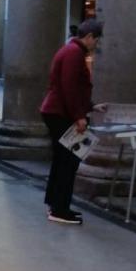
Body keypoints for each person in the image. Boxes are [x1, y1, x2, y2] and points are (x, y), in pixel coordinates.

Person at [39, 19, 105, 225]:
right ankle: (59, 209)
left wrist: (90, 106)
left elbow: (74, 88)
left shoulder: (71, 51)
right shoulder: (75, 54)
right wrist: (79, 117)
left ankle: (55, 203)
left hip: (56, 111)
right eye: (97, 40)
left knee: (62, 160)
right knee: (69, 161)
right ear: (89, 37)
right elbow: (69, 88)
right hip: (60, 113)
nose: (97, 44)